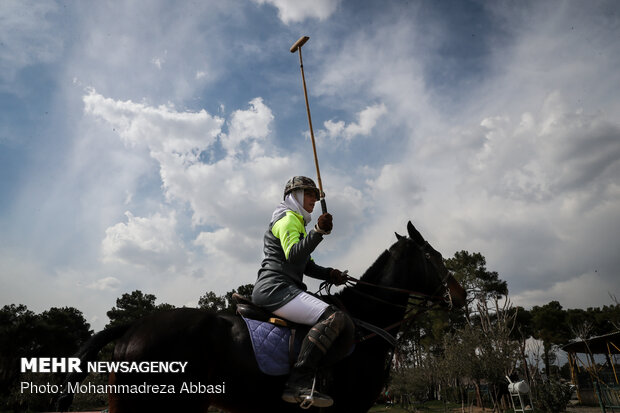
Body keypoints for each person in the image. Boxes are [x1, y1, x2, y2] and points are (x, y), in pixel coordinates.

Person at [252, 176, 354, 407]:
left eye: (316, 197)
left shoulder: (297, 221)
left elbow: (305, 265)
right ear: (295, 196)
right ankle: (298, 382)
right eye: (309, 195)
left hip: (282, 288)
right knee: (333, 317)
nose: (313, 201)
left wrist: (331, 274)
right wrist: (317, 231)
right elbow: (294, 255)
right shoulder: (288, 219)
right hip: (276, 289)